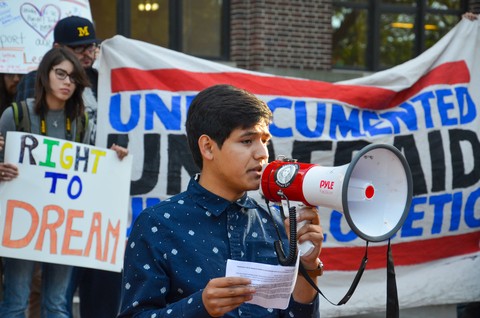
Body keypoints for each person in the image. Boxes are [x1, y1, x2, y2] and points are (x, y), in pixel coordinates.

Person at [118, 84, 324, 317]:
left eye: (264, 141)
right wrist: (200, 306)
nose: (262, 153)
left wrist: (308, 268)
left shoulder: (278, 223)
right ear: (208, 147)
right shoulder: (157, 224)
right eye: (247, 141)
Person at [0, 47, 128, 318]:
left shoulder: (81, 122)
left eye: (73, 78)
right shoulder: (16, 115)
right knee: (15, 300)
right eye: (61, 74)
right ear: (45, 75)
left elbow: (87, 170)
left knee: (57, 304)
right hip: (21, 223)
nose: (67, 83)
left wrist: (113, 160)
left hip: (62, 227)